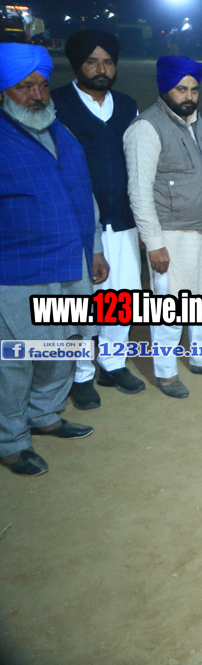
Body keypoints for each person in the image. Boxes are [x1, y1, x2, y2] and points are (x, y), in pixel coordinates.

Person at [0, 43, 101, 475]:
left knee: (64, 345)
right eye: (24, 87)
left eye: (42, 85)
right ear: (3, 91)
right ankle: (10, 440)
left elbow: (84, 192)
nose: (37, 96)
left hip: (71, 262)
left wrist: (95, 248)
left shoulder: (61, 131)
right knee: (18, 358)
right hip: (18, 269)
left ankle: (44, 415)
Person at [125, 56, 202, 398]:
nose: (189, 96)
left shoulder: (198, 123)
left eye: (193, 89)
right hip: (171, 235)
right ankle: (166, 373)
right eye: (181, 89)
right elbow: (139, 191)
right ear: (165, 89)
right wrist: (154, 242)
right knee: (171, 308)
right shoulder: (146, 127)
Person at [52, 30, 144, 405]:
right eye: (92, 61)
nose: (101, 69)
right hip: (77, 224)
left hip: (122, 219)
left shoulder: (127, 105)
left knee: (121, 297)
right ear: (78, 65)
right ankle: (80, 373)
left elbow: (136, 163)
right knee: (82, 302)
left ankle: (112, 363)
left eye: (107, 62)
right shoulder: (57, 104)